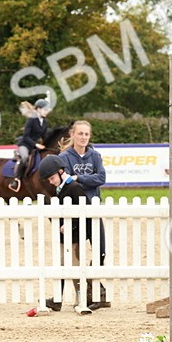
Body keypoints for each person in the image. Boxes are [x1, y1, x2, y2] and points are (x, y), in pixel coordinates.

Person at [59, 119, 109, 310]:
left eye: (86, 134)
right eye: (80, 134)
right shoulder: (65, 157)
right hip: (74, 211)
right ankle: (84, 294)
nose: (83, 137)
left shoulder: (95, 156)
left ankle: (95, 288)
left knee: (100, 252)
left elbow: (101, 178)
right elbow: (68, 183)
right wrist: (87, 181)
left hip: (93, 210)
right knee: (73, 255)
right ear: (72, 135)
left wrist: (80, 178)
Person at [37, 153, 93, 314]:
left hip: (75, 236)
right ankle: (59, 299)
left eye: (52, 178)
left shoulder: (74, 187)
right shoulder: (61, 188)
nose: (50, 181)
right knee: (62, 265)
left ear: (61, 172)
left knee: (75, 267)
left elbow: (84, 210)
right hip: (65, 237)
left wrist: (70, 224)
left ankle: (82, 297)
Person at [12, 98, 52, 190]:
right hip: (24, 145)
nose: (47, 112)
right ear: (38, 109)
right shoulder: (31, 120)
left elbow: (44, 137)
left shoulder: (44, 122)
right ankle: (16, 179)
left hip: (34, 147)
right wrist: (36, 145)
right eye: (45, 110)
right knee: (25, 157)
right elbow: (26, 136)